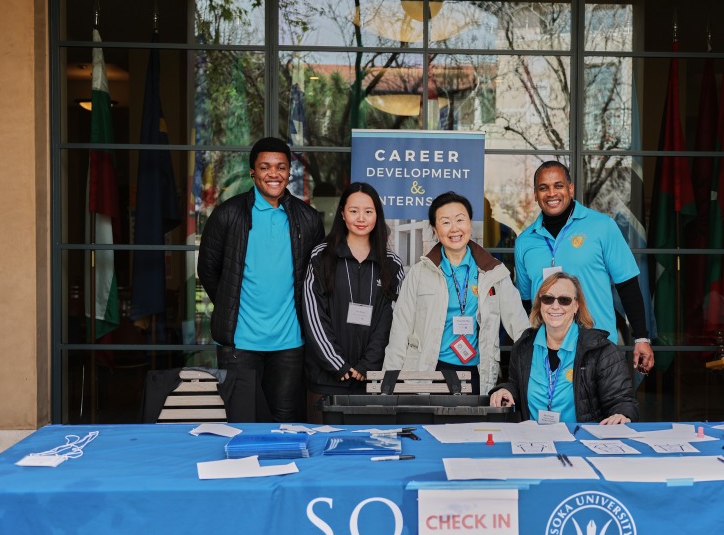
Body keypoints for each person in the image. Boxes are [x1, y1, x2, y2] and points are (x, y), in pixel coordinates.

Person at [197, 136, 325, 422]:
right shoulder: (227, 214)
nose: (273, 174)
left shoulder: (308, 219)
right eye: (265, 167)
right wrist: (233, 306)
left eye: (280, 167)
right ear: (252, 171)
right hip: (239, 343)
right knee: (242, 420)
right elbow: (207, 269)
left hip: (290, 342)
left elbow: (316, 278)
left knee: (285, 420)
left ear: (289, 172)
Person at [515, 161, 655, 374]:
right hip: (547, 353)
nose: (552, 193)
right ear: (536, 194)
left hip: (598, 348)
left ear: (570, 189)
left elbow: (627, 286)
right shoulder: (524, 241)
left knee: (602, 409)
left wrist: (642, 337)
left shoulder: (602, 227)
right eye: (544, 188)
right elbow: (527, 303)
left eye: (558, 185)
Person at [383, 191, 529, 394]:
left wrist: (527, 377)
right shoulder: (419, 274)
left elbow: (521, 328)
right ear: (434, 229)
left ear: (470, 222)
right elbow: (400, 332)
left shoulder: (494, 273)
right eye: (445, 222)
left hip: (476, 374)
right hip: (428, 373)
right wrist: (388, 387)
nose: (454, 229)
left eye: (460, 220)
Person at [489, 272, 639, 425]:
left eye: (564, 300)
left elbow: (621, 400)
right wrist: (506, 391)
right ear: (540, 304)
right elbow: (516, 385)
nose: (555, 306)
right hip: (534, 443)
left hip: (581, 443)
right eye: (548, 299)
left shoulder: (602, 351)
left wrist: (622, 414)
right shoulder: (523, 347)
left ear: (576, 306)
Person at [303, 182, 404, 398]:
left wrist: (369, 364)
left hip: (372, 380)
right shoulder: (321, 257)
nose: (361, 218)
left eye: (368, 212)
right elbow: (313, 316)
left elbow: (393, 318)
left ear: (377, 215)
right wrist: (337, 363)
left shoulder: (391, 264)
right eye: (353, 211)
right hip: (327, 379)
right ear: (342, 214)